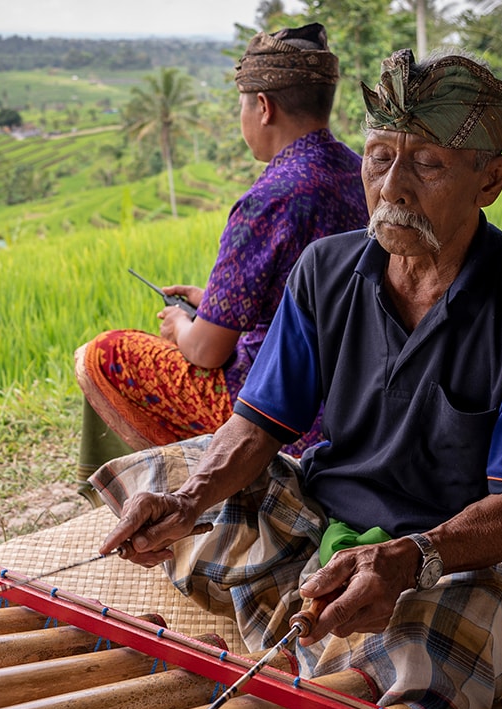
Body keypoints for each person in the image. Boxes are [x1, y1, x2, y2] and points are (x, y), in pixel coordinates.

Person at [91, 48, 502, 709]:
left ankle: (326, 639)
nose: (393, 187)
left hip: (460, 554)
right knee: (159, 478)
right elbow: (257, 426)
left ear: (491, 179)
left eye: (428, 164)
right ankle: (326, 616)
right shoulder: (325, 269)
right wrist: (186, 502)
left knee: (433, 661)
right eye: (380, 156)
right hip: (324, 506)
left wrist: (410, 557)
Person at [75, 22, 369, 486]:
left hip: (280, 406)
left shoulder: (269, 199)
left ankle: (155, 490)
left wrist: (182, 325)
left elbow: (208, 351)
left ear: (264, 107)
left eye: (242, 105)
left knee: (104, 353)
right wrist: (212, 300)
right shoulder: (361, 174)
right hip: (355, 390)